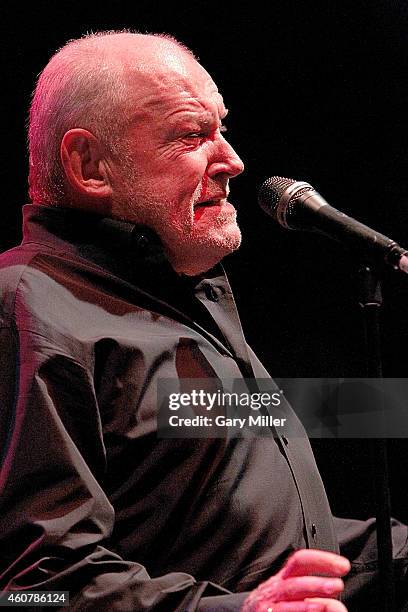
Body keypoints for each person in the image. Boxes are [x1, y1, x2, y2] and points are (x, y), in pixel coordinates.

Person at [0, 30, 406, 611]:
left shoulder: (188, 300)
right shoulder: (28, 309)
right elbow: (31, 591)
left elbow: (253, 544)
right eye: (192, 135)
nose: (233, 161)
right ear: (90, 165)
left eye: (223, 128)